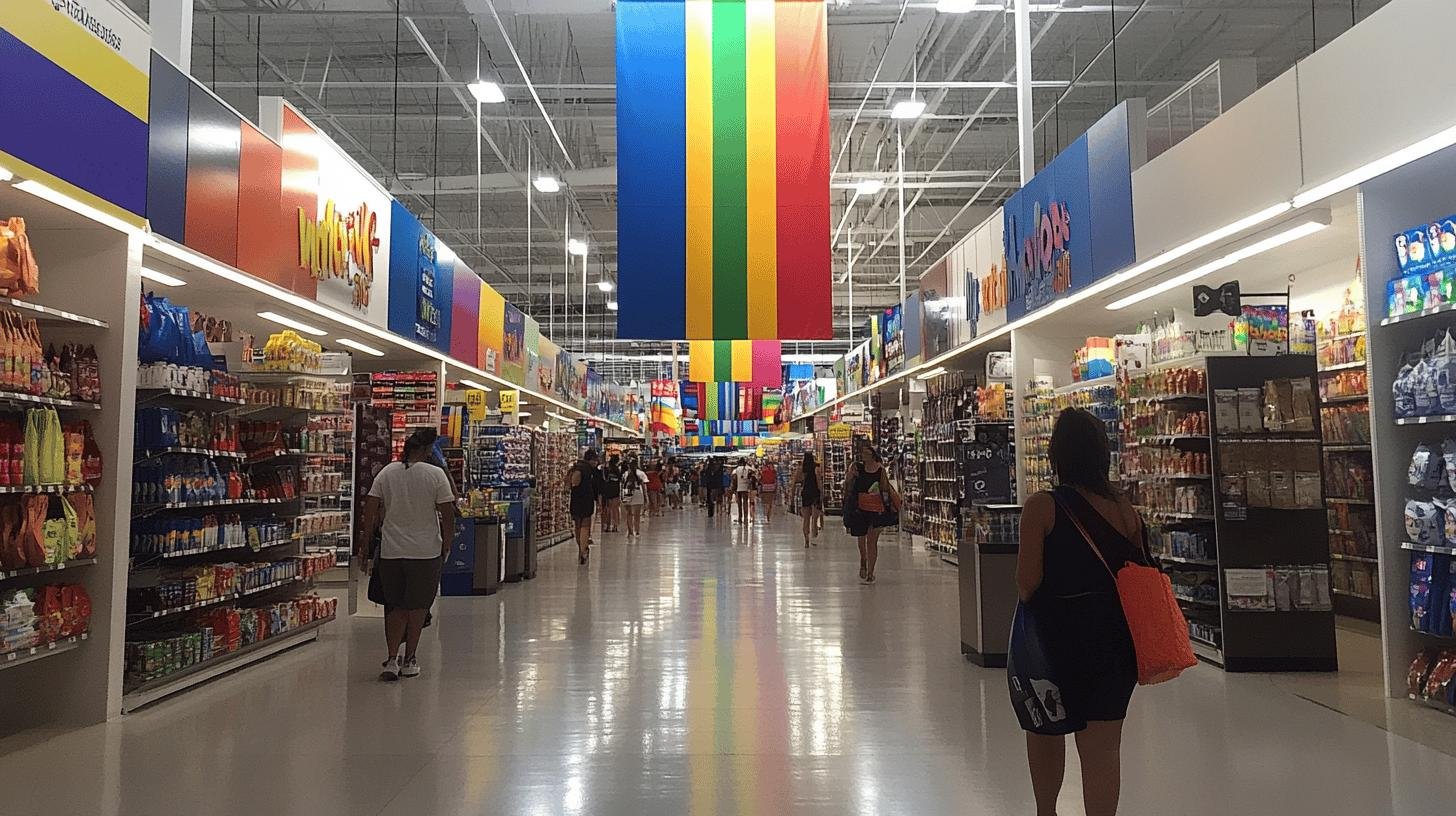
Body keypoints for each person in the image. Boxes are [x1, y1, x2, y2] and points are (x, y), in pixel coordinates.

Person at [1015, 408, 1145, 816]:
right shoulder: (1127, 512)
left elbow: (1027, 583)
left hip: (1051, 645)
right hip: (1112, 643)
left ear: (1057, 455)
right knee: (1103, 750)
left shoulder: (1042, 507)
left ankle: (1047, 812)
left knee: (1045, 733)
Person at [356, 428, 456, 681]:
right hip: (425, 552)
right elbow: (448, 512)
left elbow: (370, 508)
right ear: (425, 449)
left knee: (395, 606)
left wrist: (365, 544)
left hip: (392, 551)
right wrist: (447, 543)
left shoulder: (387, 472)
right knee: (418, 607)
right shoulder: (435, 475)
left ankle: (391, 658)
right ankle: (410, 658)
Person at [842, 446, 898, 584]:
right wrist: (850, 477)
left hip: (876, 508)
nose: (864, 456)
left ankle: (871, 572)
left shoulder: (880, 470)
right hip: (860, 509)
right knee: (861, 539)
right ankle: (863, 560)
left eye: (867, 453)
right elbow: (848, 484)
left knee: (871, 541)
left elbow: (885, 488)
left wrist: (889, 503)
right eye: (863, 453)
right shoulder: (857, 468)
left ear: (873, 455)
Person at [567, 449, 602, 564]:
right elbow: (597, 487)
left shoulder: (576, 468)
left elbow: (572, 484)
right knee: (585, 526)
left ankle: (581, 548)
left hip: (575, 498)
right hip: (587, 499)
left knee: (577, 525)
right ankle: (583, 550)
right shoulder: (591, 470)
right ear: (591, 460)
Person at [789, 451, 826, 548]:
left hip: (805, 494)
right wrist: (822, 494)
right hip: (815, 494)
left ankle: (806, 539)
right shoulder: (816, 469)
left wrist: (791, 497)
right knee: (814, 517)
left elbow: (793, 484)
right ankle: (814, 535)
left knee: (806, 519)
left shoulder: (800, 469)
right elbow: (819, 483)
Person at [620, 456, 649, 536]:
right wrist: (646, 497)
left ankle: (630, 531)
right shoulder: (641, 473)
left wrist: (621, 496)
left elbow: (622, 485)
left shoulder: (625, 474)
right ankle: (637, 531)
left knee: (629, 513)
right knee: (637, 515)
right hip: (637, 493)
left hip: (627, 493)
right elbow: (644, 486)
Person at [600, 454, 622, 533]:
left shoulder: (605, 469)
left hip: (607, 490)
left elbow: (603, 479)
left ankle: (608, 525)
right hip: (615, 490)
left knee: (608, 508)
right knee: (615, 509)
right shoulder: (617, 470)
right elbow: (619, 479)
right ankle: (615, 525)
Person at [732, 458, 755, 524]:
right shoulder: (748, 468)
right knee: (745, 503)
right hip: (745, 488)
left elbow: (733, 477)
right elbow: (753, 473)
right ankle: (745, 518)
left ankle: (740, 517)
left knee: (739, 504)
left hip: (738, 489)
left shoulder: (736, 470)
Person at [758, 458, 778, 522]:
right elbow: (775, 480)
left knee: (766, 503)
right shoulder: (774, 471)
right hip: (771, 488)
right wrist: (775, 488)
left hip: (765, 488)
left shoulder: (763, 471)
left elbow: (760, 480)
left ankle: (766, 515)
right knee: (770, 503)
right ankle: (768, 515)